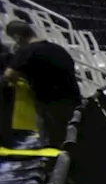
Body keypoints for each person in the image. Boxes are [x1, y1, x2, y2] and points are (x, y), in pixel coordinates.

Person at [3, 20, 81, 149]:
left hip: (50, 104)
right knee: (71, 137)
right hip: (72, 99)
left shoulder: (26, 51)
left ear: (17, 37)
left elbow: (9, 75)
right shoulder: (57, 49)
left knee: (53, 142)